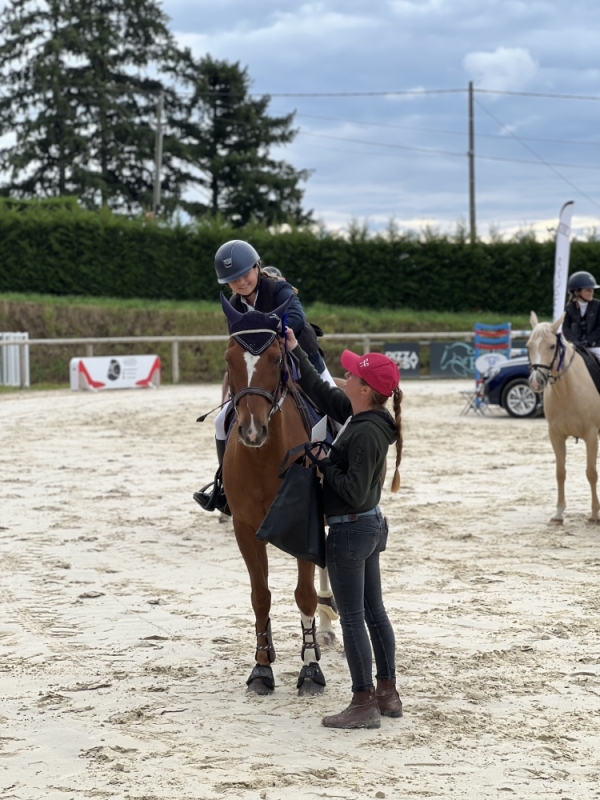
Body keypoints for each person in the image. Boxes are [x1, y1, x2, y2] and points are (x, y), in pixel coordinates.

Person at [285, 326, 403, 729]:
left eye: (353, 375)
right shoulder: (365, 416)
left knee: (354, 619)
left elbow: (351, 489)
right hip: (366, 528)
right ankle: (386, 693)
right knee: (374, 613)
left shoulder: (367, 431)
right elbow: (322, 392)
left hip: (351, 529)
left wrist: (324, 462)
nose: (346, 377)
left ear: (366, 389)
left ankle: (362, 702)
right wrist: (297, 352)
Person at [194, 239, 334, 513]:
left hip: (301, 356)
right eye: (233, 280)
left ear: (257, 268)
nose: (241, 282)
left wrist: (265, 331)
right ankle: (224, 488)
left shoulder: (278, 289)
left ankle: (341, 478)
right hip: (260, 368)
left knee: (337, 406)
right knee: (222, 421)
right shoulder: (234, 303)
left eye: (244, 274)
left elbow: (295, 317)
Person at [562, 271, 600, 354]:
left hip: (595, 346)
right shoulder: (569, 307)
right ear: (576, 292)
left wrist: (587, 341)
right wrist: (574, 341)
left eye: (592, 289)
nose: (591, 292)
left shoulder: (598, 305)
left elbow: (599, 328)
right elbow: (566, 328)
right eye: (587, 290)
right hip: (575, 346)